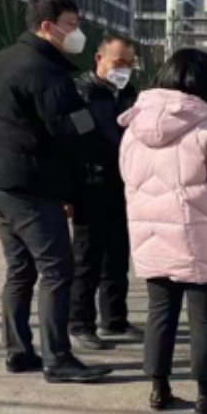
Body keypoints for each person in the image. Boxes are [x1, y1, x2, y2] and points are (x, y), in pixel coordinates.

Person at [0, 0, 112, 383]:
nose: (78, 32)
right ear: (48, 27)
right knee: (57, 269)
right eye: (72, 24)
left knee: (20, 270)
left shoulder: (5, 58)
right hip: (29, 187)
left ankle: (19, 352)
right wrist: (109, 155)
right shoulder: (46, 72)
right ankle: (58, 359)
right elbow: (75, 131)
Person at [119, 49, 207, 414]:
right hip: (201, 237)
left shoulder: (133, 128)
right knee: (205, 319)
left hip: (151, 234)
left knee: (159, 314)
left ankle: (158, 390)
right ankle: (206, 395)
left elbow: (128, 178)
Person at [69, 35, 143, 351]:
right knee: (87, 259)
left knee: (117, 257)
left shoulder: (129, 95)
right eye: (119, 62)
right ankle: (80, 324)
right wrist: (67, 193)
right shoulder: (80, 94)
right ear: (99, 59)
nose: (124, 69)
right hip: (89, 187)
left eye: (130, 63)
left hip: (122, 187)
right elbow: (71, 145)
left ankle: (114, 319)